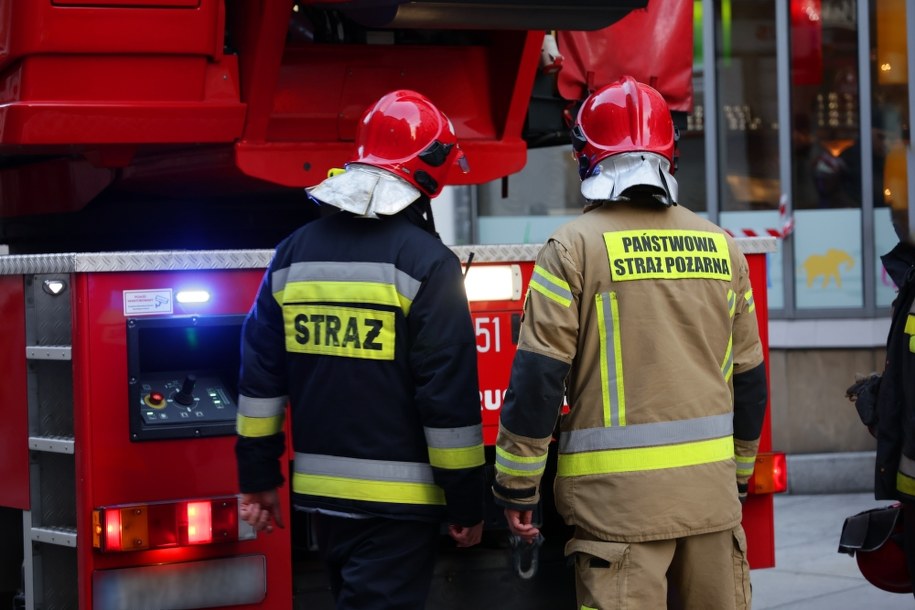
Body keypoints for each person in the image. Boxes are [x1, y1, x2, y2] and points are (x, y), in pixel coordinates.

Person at [491, 75, 769, 609]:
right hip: (711, 507)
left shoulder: (572, 249)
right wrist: (733, 480)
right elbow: (750, 381)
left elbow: (538, 380)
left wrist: (517, 487)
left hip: (616, 516)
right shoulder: (721, 247)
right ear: (671, 155)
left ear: (584, 158)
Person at [235, 89, 485, 609]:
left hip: (323, 503)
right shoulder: (427, 263)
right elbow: (447, 400)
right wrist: (466, 503)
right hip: (400, 506)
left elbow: (260, 378)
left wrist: (259, 477)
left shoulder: (293, 252)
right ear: (426, 174)